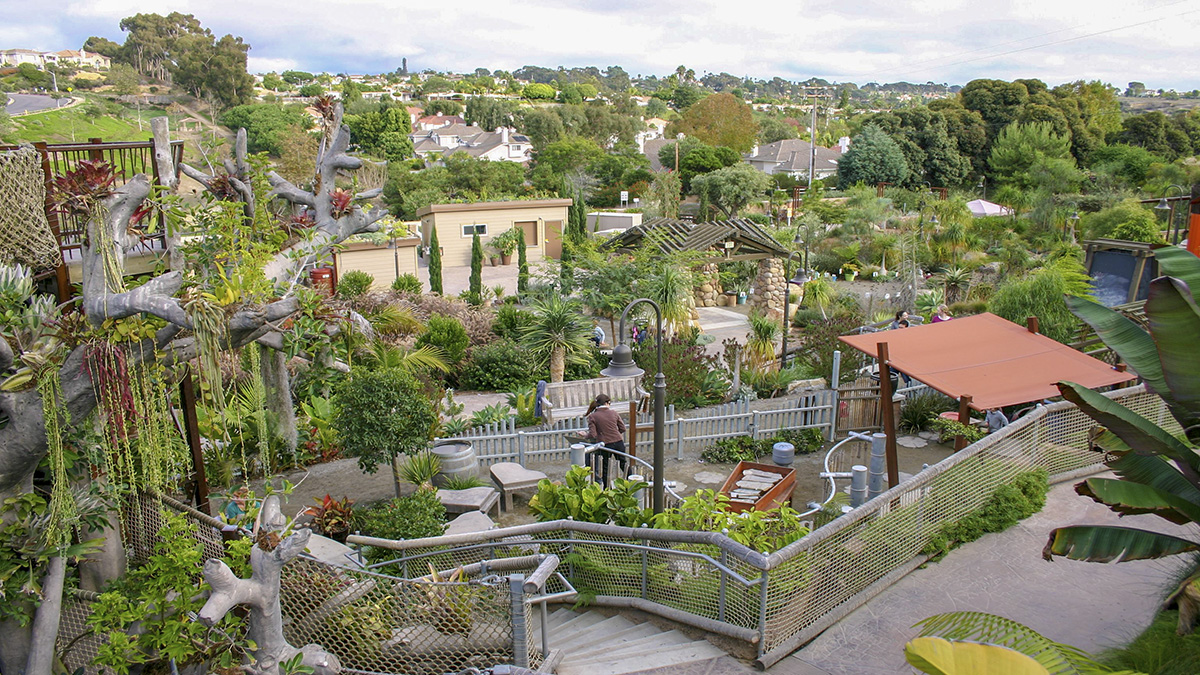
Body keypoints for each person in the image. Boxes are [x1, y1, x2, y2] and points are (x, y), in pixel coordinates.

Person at [586, 394, 627, 488]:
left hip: (605, 444)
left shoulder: (593, 416)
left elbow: (593, 434)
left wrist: (585, 435)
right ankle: (631, 482)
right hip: (618, 442)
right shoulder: (614, 413)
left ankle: (607, 488)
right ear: (607, 403)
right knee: (623, 464)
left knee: (606, 467)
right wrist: (615, 434)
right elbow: (623, 428)